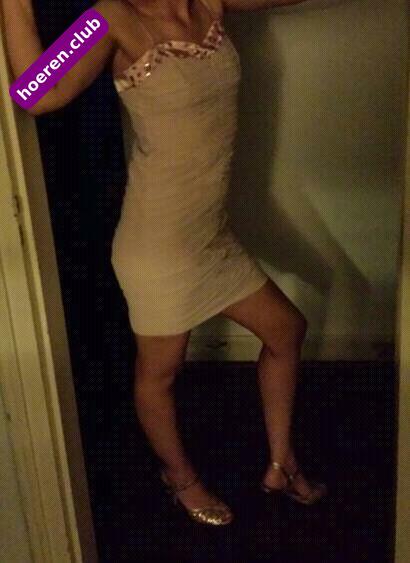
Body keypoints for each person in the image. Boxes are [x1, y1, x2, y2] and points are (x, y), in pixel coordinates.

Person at [2, 0, 327, 527]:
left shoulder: (209, 2)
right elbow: (37, 94)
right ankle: (180, 477)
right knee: (159, 375)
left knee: (287, 329)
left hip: (211, 236)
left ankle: (280, 463)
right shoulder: (111, 18)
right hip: (157, 247)